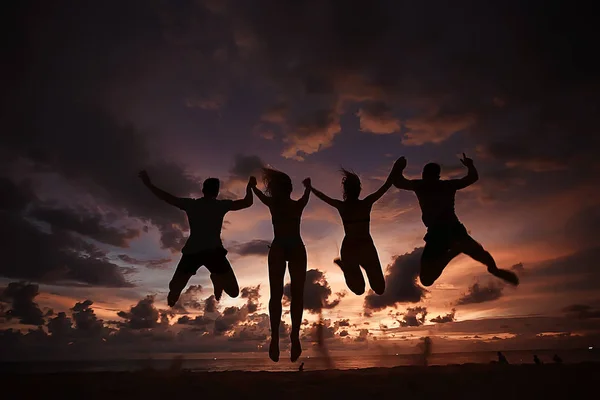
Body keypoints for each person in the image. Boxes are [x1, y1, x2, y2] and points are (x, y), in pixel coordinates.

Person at [393, 154, 519, 287]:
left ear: (424, 174)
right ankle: (492, 268)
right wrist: (470, 165)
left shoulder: (420, 185)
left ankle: (454, 252)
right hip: (454, 229)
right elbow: (472, 178)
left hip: (437, 233)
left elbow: (398, 182)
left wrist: (399, 167)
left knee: (426, 279)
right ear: (438, 176)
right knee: (479, 253)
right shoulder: (448, 185)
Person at [138, 170, 255, 307]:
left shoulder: (199, 205)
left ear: (203, 190)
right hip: (197, 253)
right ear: (216, 192)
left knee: (175, 288)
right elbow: (248, 202)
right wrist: (250, 187)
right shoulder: (214, 205)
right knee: (232, 292)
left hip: (207, 253)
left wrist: (149, 185)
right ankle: (212, 277)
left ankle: (214, 277)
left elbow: (167, 198)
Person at [307, 159, 403, 295]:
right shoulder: (345, 206)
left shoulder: (365, 203)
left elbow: (386, 186)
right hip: (350, 249)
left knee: (379, 288)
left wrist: (395, 169)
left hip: (366, 247)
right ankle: (346, 267)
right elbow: (324, 197)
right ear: (355, 190)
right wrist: (310, 188)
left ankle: (353, 266)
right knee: (358, 290)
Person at [250, 168, 310, 363]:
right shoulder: (296, 204)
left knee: (279, 295)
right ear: (289, 188)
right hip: (293, 247)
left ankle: (280, 338)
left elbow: (259, 194)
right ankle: (288, 337)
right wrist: (308, 188)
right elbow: (305, 197)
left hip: (284, 247)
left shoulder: (275, 203)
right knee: (295, 295)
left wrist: (252, 187)